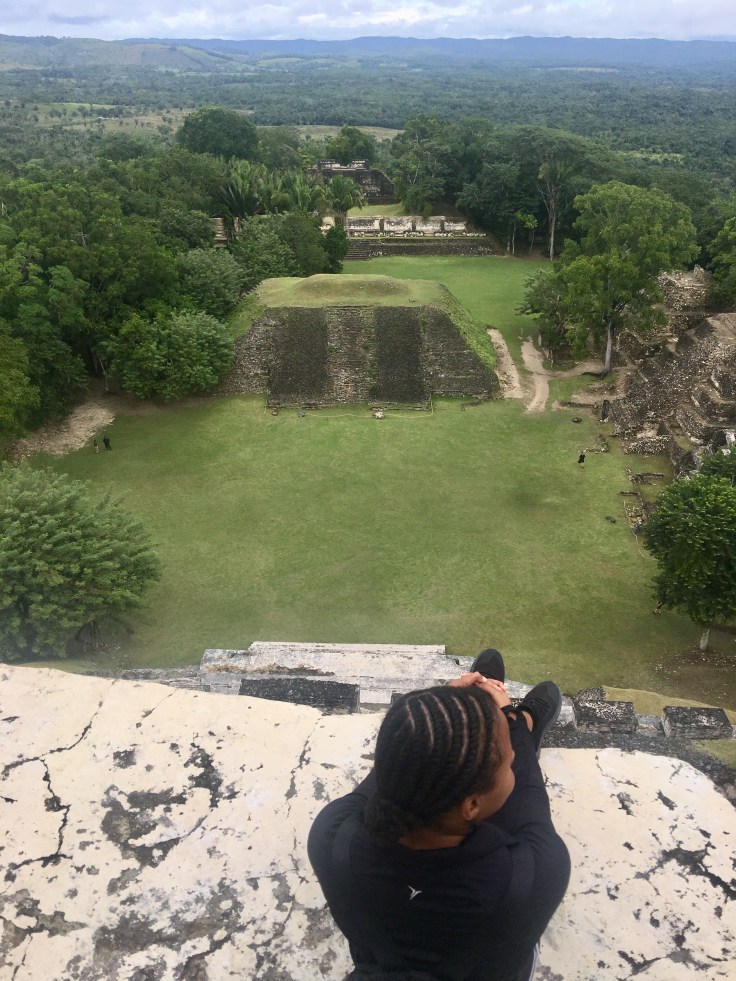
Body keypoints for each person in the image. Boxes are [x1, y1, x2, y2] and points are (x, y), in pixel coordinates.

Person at [308, 649, 571, 981]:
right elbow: (529, 796)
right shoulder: (534, 873)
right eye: (507, 760)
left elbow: (395, 772)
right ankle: (527, 723)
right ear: (471, 805)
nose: (512, 766)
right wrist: (513, 722)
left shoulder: (332, 837)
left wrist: (441, 716)